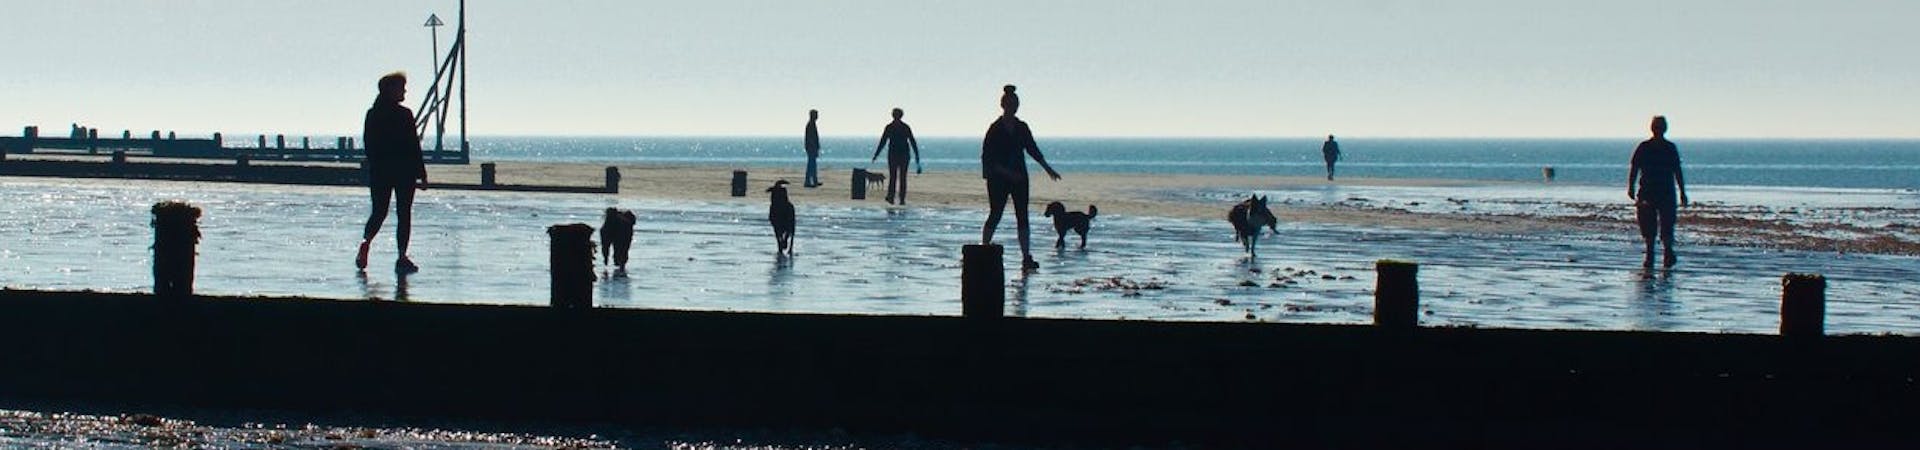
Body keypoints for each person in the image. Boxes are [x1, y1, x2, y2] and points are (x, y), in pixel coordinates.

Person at [980, 85, 1062, 271]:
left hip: (1020, 179)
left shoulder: (1022, 127)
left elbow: (1032, 149)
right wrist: (1001, 173)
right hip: (998, 178)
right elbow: (987, 157)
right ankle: (984, 248)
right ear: (1003, 104)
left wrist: (1047, 168)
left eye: (1015, 103)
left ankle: (1026, 257)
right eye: (1009, 103)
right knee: (995, 213)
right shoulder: (995, 128)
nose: (1013, 106)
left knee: (1022, 217)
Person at [355, 71, 429, 273]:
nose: (404, 90)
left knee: (379, 212)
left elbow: (369, 145)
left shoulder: (373, 114)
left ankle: (366, 242)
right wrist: (422, 174)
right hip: (404, 172)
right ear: (389, 89)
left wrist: (377, 167)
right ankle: (402, 256)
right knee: (403, 214)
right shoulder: (405, 114)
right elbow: (414, 146)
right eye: (401, 87)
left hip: (380, 172)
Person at [1627, 115, 1688, 268]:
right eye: (1657, 127)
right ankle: (1654, 254)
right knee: (1649, 224)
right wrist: (1631, 186)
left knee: (1665, 223)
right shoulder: (1645, 147)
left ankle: (1664, 253)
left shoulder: (1667, 148)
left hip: (1662, 191)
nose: (1658, 130)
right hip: (1651, 191)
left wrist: (1682, 191)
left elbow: (1677, 171)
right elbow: (1635, 167)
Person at [869, 108, 922, 204]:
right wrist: (917, 156)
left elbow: (883, 142)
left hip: (893, 155)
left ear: (893, 115)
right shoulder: (905, 127)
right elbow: (912, 141)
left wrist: (876, 155)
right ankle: (901, 199)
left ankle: (891, 197)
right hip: (904, 155)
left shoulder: (890, 127)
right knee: (903, 177)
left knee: (893, 177)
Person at [803, 109, 822, 188]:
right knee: (811, 164)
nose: (817, 116)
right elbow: (811, 138)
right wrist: (814, 146)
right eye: (816, 115)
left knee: (812, 164)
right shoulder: (810, 125)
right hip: (811, 147)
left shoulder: (812, 124)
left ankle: (814, 180)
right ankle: (808, 181)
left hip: (812, 147)